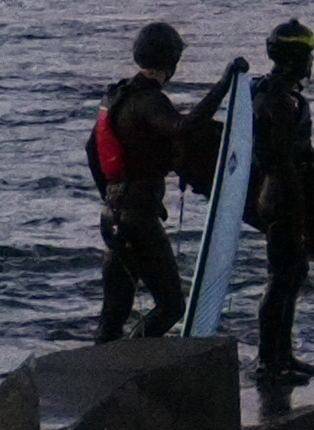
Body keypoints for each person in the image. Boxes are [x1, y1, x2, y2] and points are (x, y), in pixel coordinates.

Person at [90, 19, 218, 342]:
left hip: (112, 217)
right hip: (139, 220)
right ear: (170, 62)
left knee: (113, 316)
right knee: (172, 306)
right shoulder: (150, 100)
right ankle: (134, 358)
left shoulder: (114, 96)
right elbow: (181, 127)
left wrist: (109, 194)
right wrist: (224, 86)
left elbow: (92, 149)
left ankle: (101, 375)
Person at [245, 18, 314, 394]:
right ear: (294, 59)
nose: (312, 63)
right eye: (308, 55)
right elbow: (278, 156)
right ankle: (268, 361)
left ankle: (283, 355)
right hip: (280, 196)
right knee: (281, 279)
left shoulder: (280, 92)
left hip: (284, 193)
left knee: (293, 276)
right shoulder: (275, 97)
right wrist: (297, 203)